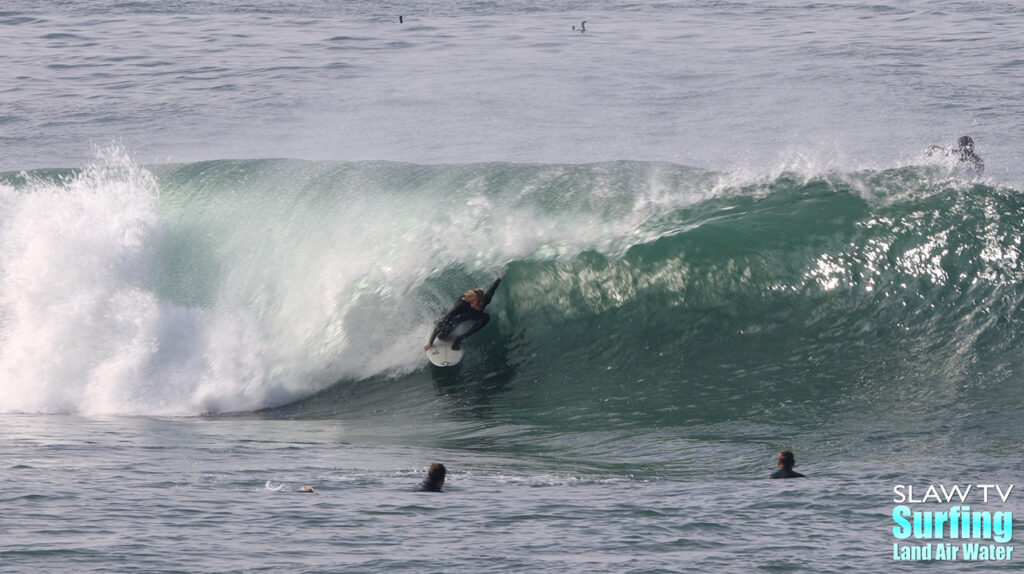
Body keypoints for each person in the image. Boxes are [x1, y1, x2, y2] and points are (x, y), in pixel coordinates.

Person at [424, 273, 503, 351]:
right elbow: (444, 321)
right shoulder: (461, 305)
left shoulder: (485, 300)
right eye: (478, 301)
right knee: (441, 336)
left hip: (475, 313)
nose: (482, 303)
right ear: (471, 302)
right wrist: (430, 343)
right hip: (462, 314)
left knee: (486, 318)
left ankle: (459, 339)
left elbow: (492, 289)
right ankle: (440, 317)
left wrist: (500, 277)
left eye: (482, 301)